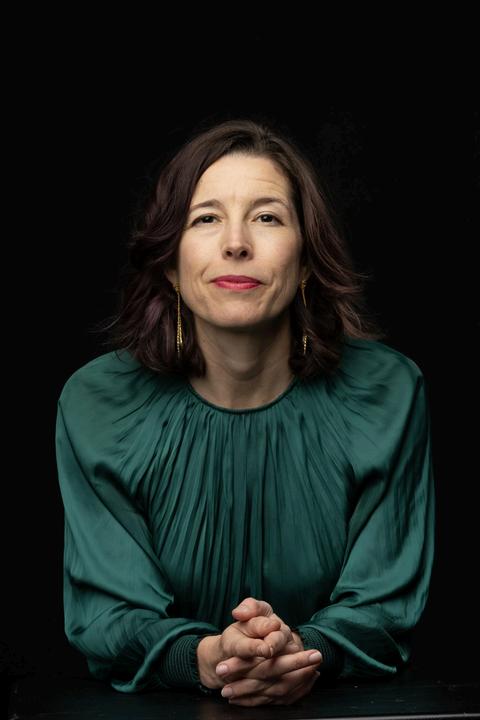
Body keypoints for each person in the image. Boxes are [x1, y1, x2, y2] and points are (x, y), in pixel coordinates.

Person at [55, 117, 436, 707]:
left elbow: (384, 607)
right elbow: (109, 615)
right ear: (170, 262)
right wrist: (207, 659)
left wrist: (301, 652)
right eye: (206, 219)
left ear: (306, 260)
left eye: (267, 217)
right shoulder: (98, 404)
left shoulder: (386, 393)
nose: (236, 243)